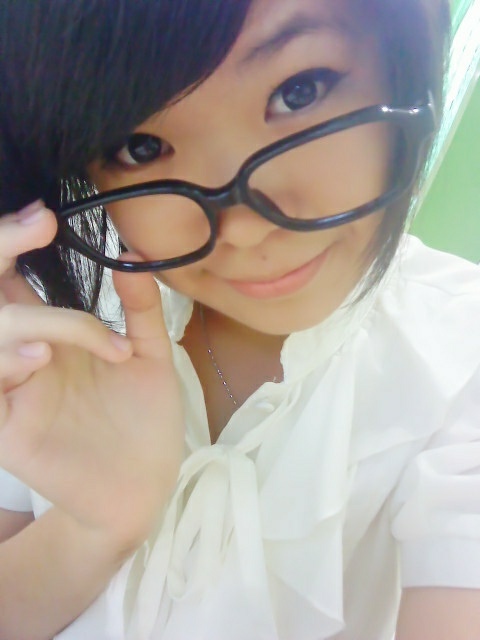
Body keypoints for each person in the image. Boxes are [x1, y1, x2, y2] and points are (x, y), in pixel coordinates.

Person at [0, 0, 479, 638]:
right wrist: (94, 529)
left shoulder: (461, 355)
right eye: (141, 147)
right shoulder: (56, 322)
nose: (247, 228)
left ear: (399, 62)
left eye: (299, 91)